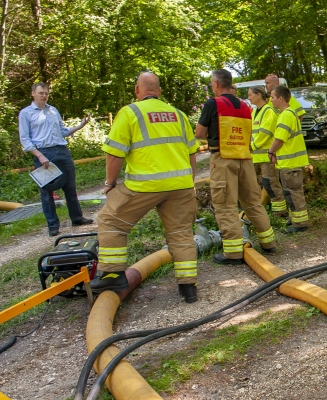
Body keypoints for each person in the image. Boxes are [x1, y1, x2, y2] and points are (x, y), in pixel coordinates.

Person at [89, 72, 200, 302]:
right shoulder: (178, 114)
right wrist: (190, 183)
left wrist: (110, 184)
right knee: (181, 233)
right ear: (159, 91)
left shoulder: (130, 113)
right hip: (180, 186)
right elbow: (191, 153)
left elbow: (114, 154)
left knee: (111, 220)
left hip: (144, 186)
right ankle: (188, 287)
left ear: (137, 90)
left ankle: (111, 275)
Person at [196, 69, 277, 264]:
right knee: (253, 202)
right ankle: (269, 243)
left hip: (223, 160)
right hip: (246, 160)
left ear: (216, 84)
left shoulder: (212, 103)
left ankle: (232, 253)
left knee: (225, 205)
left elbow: (199, 133)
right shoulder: (245, 106)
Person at [18, 82, 94, 236]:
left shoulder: (53, 110)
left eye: (46, 93)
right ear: (33, 93)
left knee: (70, 187)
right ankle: (53, 225)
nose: (44, 96)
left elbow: (62, 131)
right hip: (43, 153)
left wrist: (80, 126)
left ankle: (77, 218)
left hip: (62, 150)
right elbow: (25, 139)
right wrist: (40, 155)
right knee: (47, 191)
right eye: (41, 93)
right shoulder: (25, 113)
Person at [268, 85, 309, 233]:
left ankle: (300, 224)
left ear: (280, 98)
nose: (271, 100)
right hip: (292, 163)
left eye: (272, 97)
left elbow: (279, 139)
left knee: (293, 193)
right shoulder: (291, 113)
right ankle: (296, 220)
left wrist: (270, 151)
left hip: (290, 164)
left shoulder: (285, 115)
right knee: (292, 193)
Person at [248, 85, 287, 215]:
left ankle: (280, 211)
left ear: (258, 95)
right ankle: (258, 210)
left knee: (271, 184)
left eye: (250, 95)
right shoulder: (254, 112)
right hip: (256, 157)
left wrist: (252, 145)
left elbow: (265, 133)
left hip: (266, 157)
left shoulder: (268, 111)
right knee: (253, 184)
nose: (248, 98)